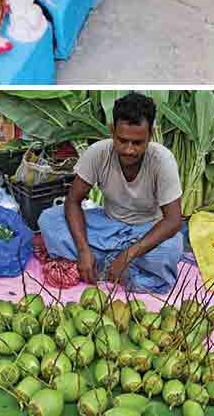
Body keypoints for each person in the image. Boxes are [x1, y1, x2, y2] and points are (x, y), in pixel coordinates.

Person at [40, 92, 184, 294]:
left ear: (151, 134)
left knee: (170, 249)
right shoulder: (98, 153)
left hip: (146, 230)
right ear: (111, 130)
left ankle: (104, 263)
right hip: (107, 226)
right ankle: (115, 268)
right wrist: (83, 250)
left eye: (137, 143)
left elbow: (173, 220)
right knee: (49, 219)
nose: (129, 150)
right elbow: (73, 201)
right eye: (122, 140)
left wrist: (128, 254)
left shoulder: (162, 160)